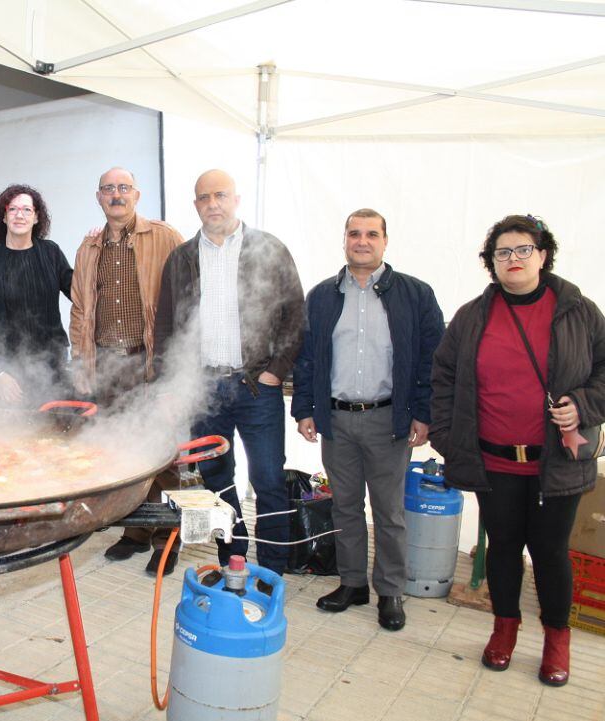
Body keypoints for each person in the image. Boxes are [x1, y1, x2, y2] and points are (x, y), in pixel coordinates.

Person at [431, 214, 605, 686]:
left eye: (523, 249)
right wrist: (448, 438)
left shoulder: (577, 310)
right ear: (491, 262)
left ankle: (556, 641)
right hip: (495, 460)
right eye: (502, 252)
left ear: (543, 255)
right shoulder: (472, 316)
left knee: (550, 552)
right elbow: (443, 377)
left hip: (557, 460)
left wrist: (583, 405)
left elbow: (603, 373)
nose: (513, 259)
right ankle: (504, 629)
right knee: (504, 547)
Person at [291, 208, 443, 632]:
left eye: (371, 234)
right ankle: (353, 583)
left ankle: (390, 591)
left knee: (390, 511)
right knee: (344, 507)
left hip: (388, 419)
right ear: (344, 240)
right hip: (337, 420)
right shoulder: (322, 296)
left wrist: (424, 414)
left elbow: (433, 359)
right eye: (354, 233)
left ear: (385, 241)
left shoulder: (415, 294)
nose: (362, 241)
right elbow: (306, 359)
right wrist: (305, 409)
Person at [154, 169, 304, 577]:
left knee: (269, 478)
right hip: (203, 388)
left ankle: (273, 568)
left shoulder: (269, 249)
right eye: (204, 197)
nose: (212, 204)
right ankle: (231, 560)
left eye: (220, 195)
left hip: (256, 386)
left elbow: (295, 316)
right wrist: (170, 386)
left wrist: (276, 371)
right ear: (196, 205)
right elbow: (166, 328)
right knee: (217, 482)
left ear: (236, 199)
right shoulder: (182, 258)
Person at [69, 167, 183, 575]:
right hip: (107, 365)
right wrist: (82, 362)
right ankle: (134, 532)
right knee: (122, 450)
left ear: (137, 194)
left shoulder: (165, 237)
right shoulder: (88, 247)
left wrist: (176, 367)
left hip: (149, 361)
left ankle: (167, 538)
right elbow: (80, 310)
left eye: (123, 188)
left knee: (163, 454)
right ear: (98, 197)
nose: (116, 195)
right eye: (108, 189)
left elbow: (184, 300)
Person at [0, 184, 72, 407]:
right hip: (8, 370)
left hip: (52, 365)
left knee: (53, 431)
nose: (20, 215)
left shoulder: (51, 253)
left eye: (27, 209)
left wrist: (92, 248)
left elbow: (79, 292)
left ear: (36, 218)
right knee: (13, 434)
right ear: (4, 217)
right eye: (12, 209)